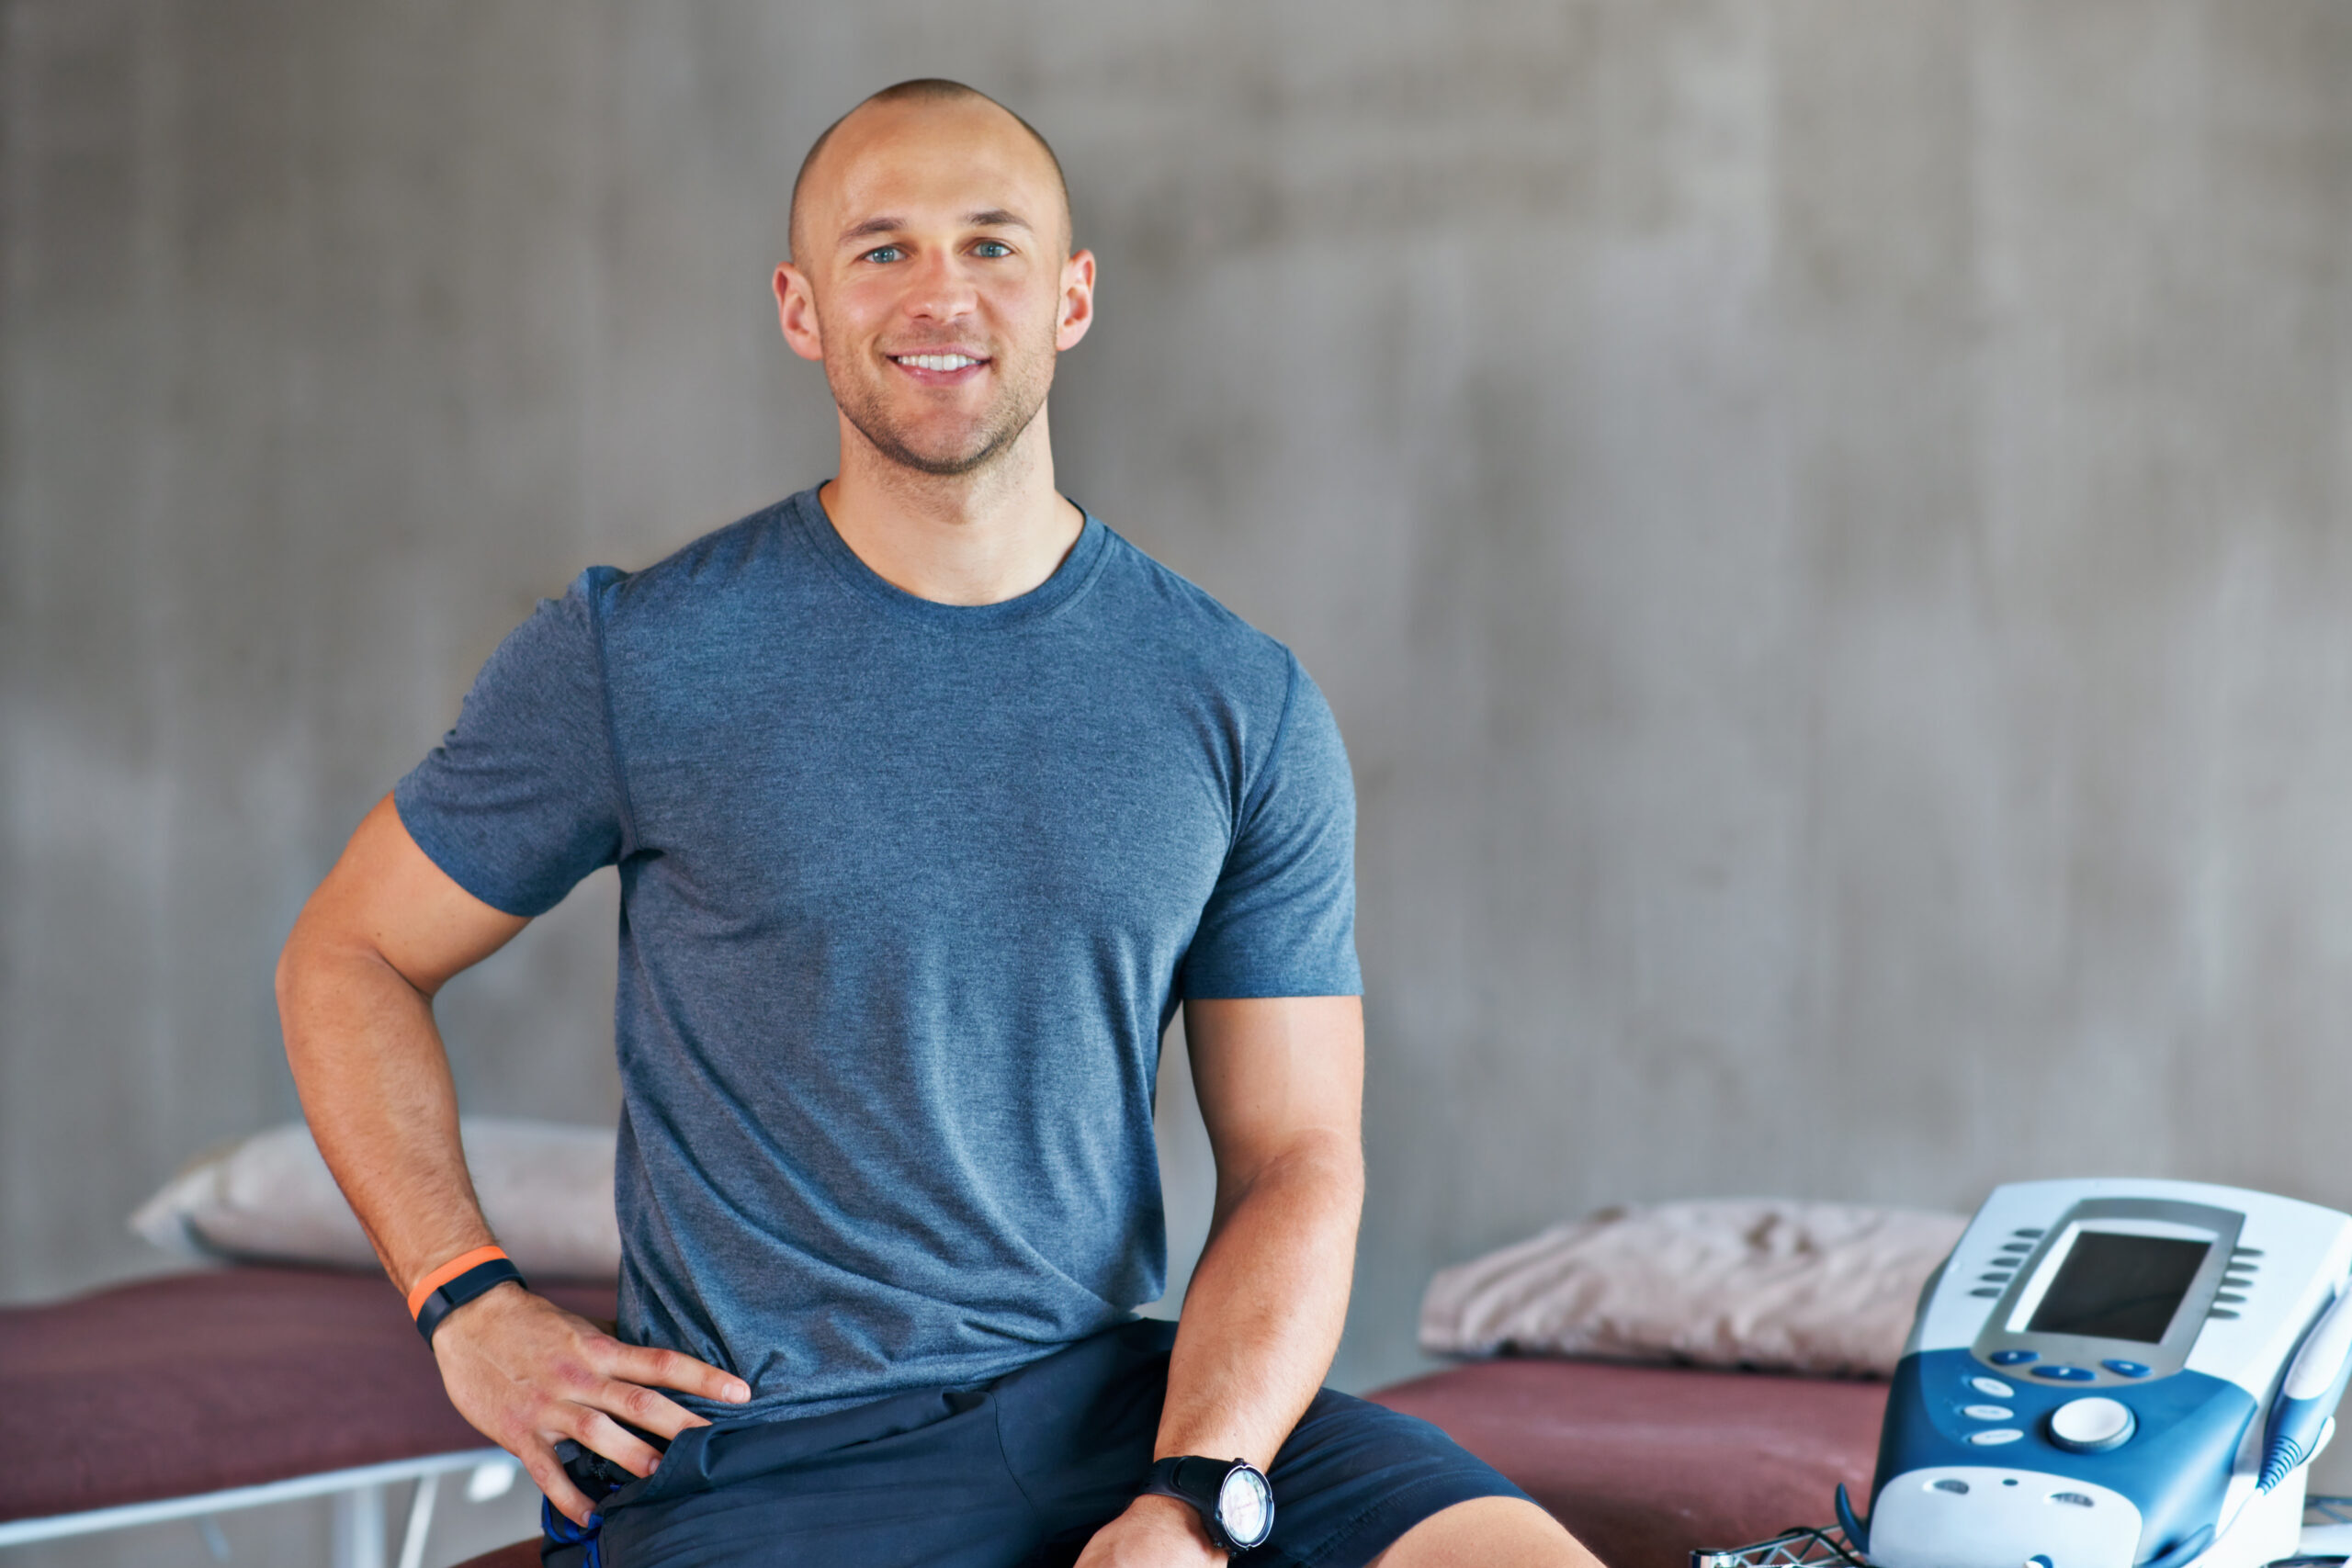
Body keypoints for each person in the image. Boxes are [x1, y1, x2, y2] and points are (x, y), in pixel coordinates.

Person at [277, 78, 1598, 1568]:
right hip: (771, 1455)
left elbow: (1297, 1157)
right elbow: (351, 954)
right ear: (801, 308)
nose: (940, 293)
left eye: (990, 244)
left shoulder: (1241, 701)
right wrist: (465, 1300)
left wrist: (1192, 1495)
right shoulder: (638, 656)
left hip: (1123, 1408)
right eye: (881, 249)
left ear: (1072, 297)